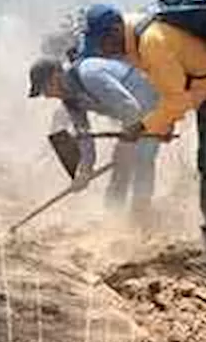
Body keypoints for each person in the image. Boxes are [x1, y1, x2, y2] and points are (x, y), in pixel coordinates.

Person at [76, 2, 206, 260]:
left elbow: (176, 101)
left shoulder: (150, 42)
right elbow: (167, 85)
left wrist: (143, 126)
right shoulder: (132, 37)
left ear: (114, 30)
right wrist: (163, 124)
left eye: (102, 43)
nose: (103, 52)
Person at [27, 54, 163, 219]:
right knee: (122, 163)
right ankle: (113, 215)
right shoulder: (70, 100)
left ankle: (141, 214)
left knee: (142, 158)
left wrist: (126, 144)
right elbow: (85, 136)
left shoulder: (90, 75)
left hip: (152, 102)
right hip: (132, 116)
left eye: (45, 89)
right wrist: (84, 171)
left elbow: (131, 108)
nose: (47, 96)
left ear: (56, 76)